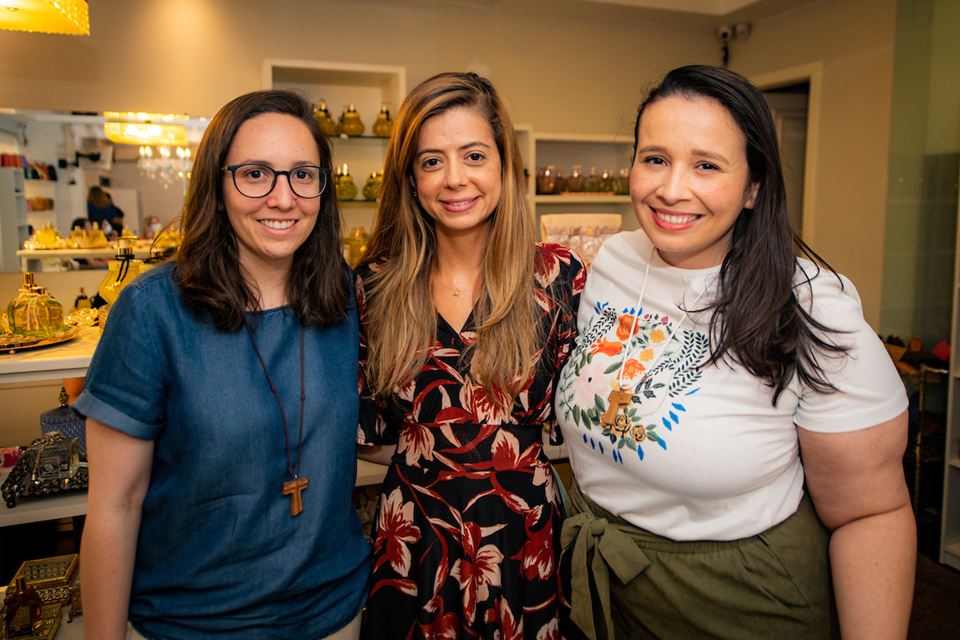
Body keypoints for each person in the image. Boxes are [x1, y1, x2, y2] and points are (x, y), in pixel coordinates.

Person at [555, 64, 914, 639]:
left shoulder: (812, 305)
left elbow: (871, 513)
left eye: (706, 165)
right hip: (605, 582)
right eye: (654, 159)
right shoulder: (611, 264)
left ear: (753, 187)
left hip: (742, 597)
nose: (672, 188)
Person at [75, 90, 371, 639]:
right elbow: (116, 505)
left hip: (333, 615)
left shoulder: (348, 299)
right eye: (256, 174)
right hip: (191, 623)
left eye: (302, 175)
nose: (283, 199)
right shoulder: (152, 312)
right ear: (217, 182)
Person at [355, 71, 585, 638]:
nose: (454, 179)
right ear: (410, 179)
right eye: (431, 161)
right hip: (413, 542)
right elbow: (368, 430)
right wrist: (433, 452)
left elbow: (584, 425)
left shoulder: (557, 278)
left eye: (474, 155)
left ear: (506, 165)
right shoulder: (375, 287)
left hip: (524, 539)